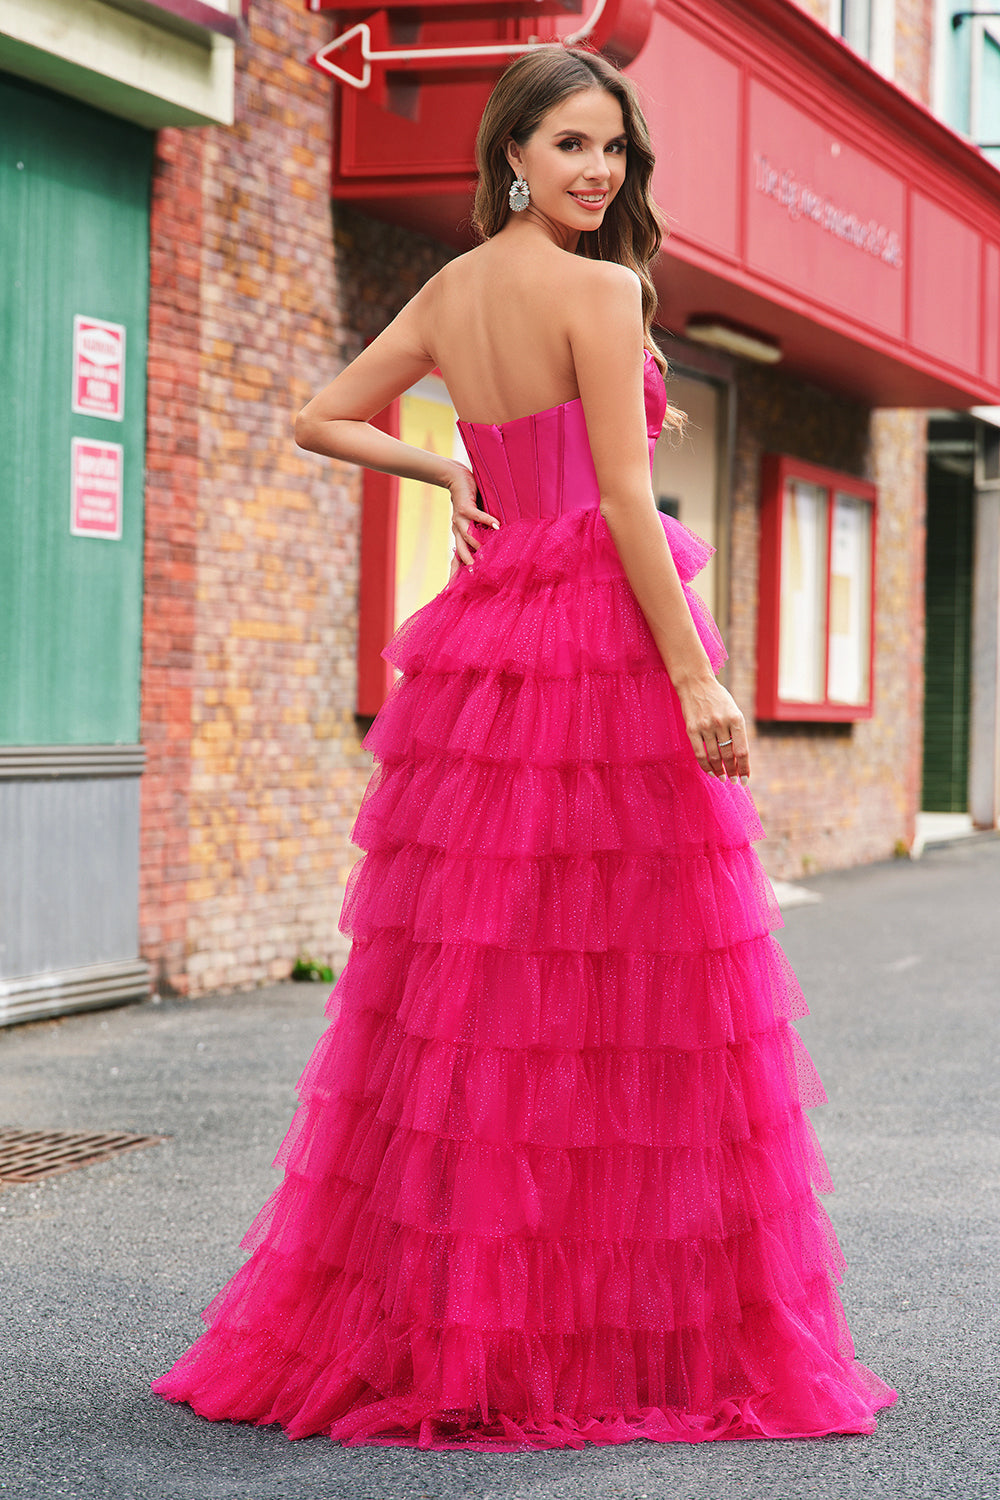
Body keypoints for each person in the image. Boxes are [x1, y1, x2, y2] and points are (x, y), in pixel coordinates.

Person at [150, 42, 897, 1450]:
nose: (598, 170)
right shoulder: (605, 291)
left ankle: (466, 1320)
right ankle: (600, 1333)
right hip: (606, 650)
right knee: (636, 987)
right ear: (511, 152)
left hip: (489, 655)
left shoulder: (450, 288)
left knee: (482, 987)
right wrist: (697, 683)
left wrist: (442, 461)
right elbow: (624, 495)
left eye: (613, 148)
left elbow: (319, 415)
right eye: (569, 145)